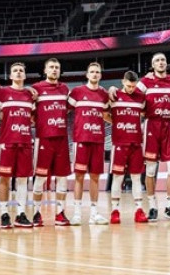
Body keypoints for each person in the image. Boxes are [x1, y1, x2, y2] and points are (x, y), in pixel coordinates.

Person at [127, 53, 170, 222]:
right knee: (150, 170)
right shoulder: (145, 82)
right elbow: (129, 93)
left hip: (168, 126)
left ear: (166, 63)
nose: (160, 62)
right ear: (152, 65)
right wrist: (115, 89)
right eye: (157, 60)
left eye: (163, 60)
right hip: (151, 125)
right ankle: (152, 206)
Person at [0, 62, 35, 228]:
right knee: (5, 178)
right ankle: (3, 213)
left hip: (25, 142)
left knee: (23, 180)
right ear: (10, 76)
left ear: (24, 75)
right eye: (15, 70)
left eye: (21, 71)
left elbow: (33, 117)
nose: (18, 73)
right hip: (7, 142)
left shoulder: (30, 95)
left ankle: (21, 213)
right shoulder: (2, 93)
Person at [30, 58, 72, 227]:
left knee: (62, 179)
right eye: (51, 67)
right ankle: (36, 213)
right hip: (43, 138)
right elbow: (30, 111)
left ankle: (60, 213)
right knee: (40, 178)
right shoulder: (36, 89)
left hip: (61, 138)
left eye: (57, 67)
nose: (54, 70)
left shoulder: (64, 89)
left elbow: (67, 109)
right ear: (45, 70)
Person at [68, 62, 110, 226]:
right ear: (87, 74)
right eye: (92, 72)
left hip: (98, 141)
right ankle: (77, 213)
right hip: (81, 140)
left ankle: (94, 213)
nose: (94, 74)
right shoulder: (77, 92)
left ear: (100, 75)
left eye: (97, 72)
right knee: (79, 176)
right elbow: (64, 109)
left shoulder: (104, 95)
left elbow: (106, 115)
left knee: (95, 177)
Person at [108, 71, 149, 224]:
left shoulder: (141, 98)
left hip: (136, 143)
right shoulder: (114, 96)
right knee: (118, 177)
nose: (131, 89)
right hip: (119, 143)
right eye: (128, 86)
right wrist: (117, 123)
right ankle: (114, 210)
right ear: (122, 82)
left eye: (133, 86)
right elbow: (104, 114)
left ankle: (139, 210)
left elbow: (144, 113)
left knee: (137, 177)